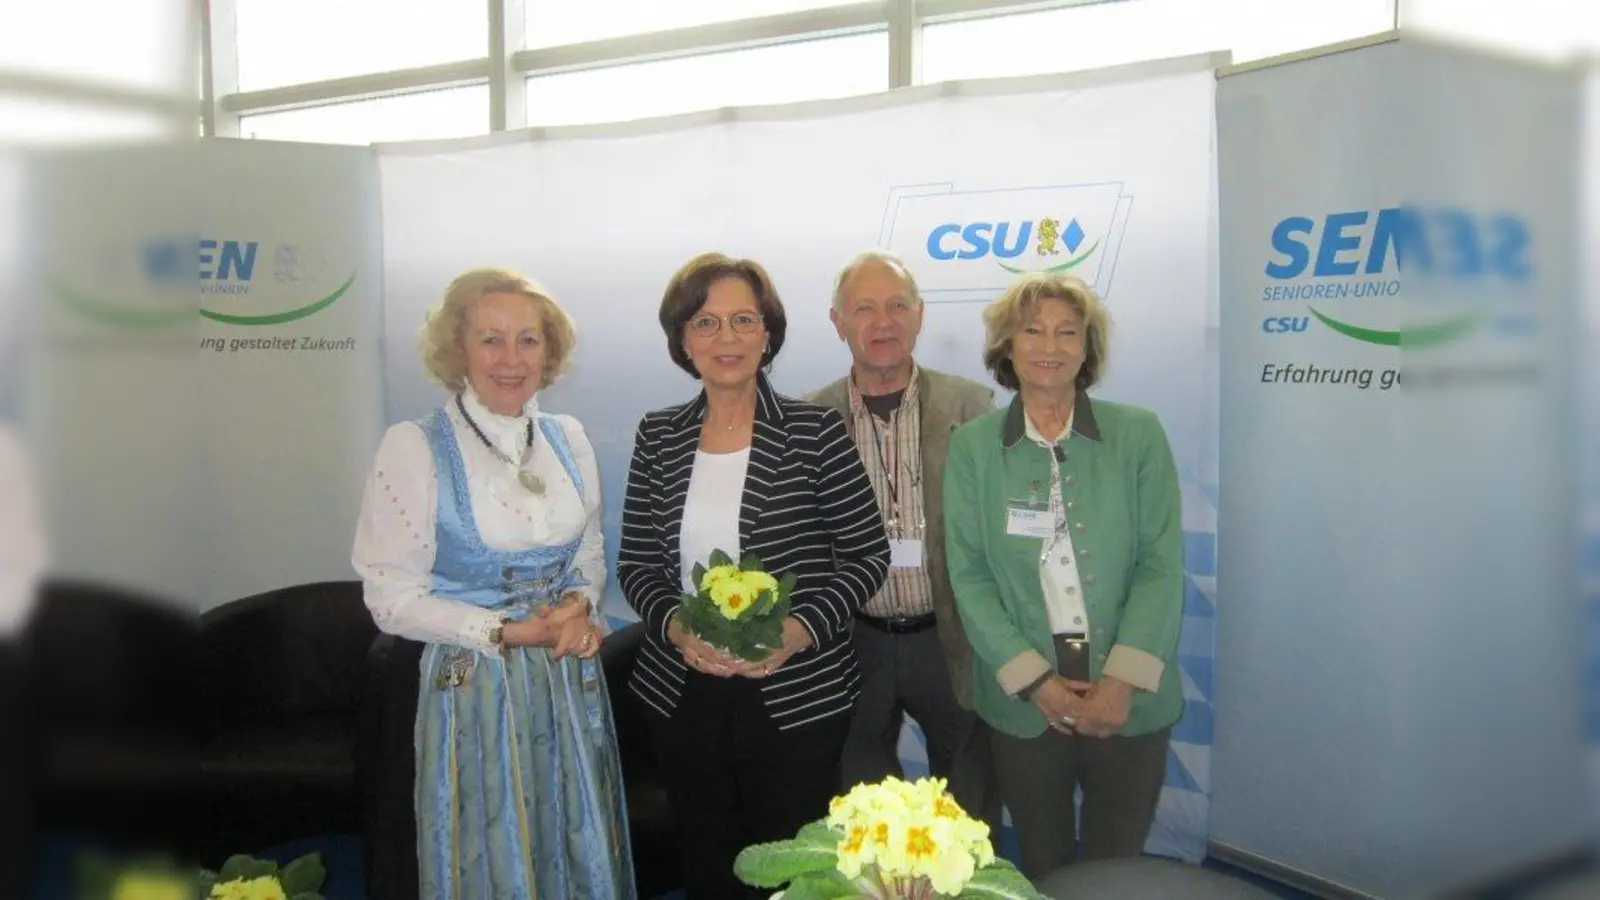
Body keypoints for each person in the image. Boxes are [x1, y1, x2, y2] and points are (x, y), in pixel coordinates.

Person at [351, 268, 635, 899]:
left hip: (562, 679)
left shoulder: (569, 438)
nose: (512, 359)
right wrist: (506, 632)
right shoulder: (415, 447)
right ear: (459, 349)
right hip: (468, 686)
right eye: (491, 339)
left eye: (529, 340)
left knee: (571, 840)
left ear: (550, 351)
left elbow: (588, 551)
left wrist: (579, 604)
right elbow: (388, 596)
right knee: (488, 850)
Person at [618, 251, 890, 900]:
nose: (727, 337)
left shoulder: (815, 431)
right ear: (682, 340)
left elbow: (866, 555)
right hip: (685, 690)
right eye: (705, 323)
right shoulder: (658, 435)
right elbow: (636, 562)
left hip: (796, 692)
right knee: (708, 858)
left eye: (743, 319)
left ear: (768, 332)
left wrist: (797, 630)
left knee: (791, 863)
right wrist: (679, 627)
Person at [943, 272, 1184, 879]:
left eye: (1067, 331)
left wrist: (1122, 681)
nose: (1049, 344)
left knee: (1116, 864)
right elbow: (969, 576)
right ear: (1008, 346)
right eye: (1032, 330)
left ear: (1086, 348)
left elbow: (1160, 565)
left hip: (1127, 696)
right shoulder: (973, 447)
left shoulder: (1139, 435)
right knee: (1043, 863)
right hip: (1027, 702)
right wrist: (1036, 683)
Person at [805, 249, 1001, 829]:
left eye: (897, 306)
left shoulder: (973, 406)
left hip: (948, 637)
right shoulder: (811, 417)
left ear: (920, 316)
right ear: (837, 321)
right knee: (861, 806)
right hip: (853, 641)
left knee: (967, 803)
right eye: (863, 308)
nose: (882, 322)